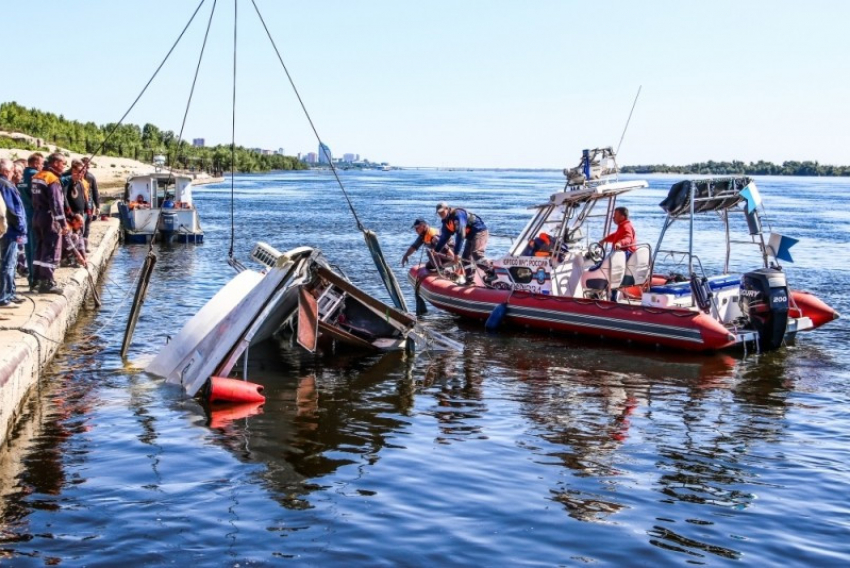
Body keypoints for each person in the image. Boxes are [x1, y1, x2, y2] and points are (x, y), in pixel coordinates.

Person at [31, 152, 69, 294]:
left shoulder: (37, 176)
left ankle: (36, 279)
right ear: (55, 163)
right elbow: (56, 203)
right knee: (51, 247)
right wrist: (63, 223)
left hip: (37, 215)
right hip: (49, 217)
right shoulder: (52, 179)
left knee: (40, 247)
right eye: (63, 163)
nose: (64, 166)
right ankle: (47, 281)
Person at [433, 201, 490, 283]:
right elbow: (444, 238)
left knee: (476, 253)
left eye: (442, 212)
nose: (441, 214)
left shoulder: (458, 215)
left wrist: (456, 254)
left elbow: (461, 234)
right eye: (439, 213)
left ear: (447, 209)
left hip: (479, 232)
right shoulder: (446, 222)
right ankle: (469, 279)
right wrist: (436, 250)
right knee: (465, 258)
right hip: (470, 236)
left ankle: (490, 272)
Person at [0, 159, 28, 306]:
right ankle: (4, 297)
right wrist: (21, 226)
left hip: (10, 230)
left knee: (12, 263)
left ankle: (10, 293)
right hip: (11, 231)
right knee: (8, 264)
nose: (14, 173)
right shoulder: (5, 184)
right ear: (6, 171)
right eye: (12, 170)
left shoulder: (7, 184)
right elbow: (12, 210)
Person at [19, 152, 44, 291]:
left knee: (28, 248)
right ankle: (36, 278)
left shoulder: (20, 174)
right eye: (41, 163)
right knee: (37, 247)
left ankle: (31, 278)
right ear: (35, 163)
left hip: (23, 215)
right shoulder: (36, 175)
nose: (42, 166)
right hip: (35, 214)